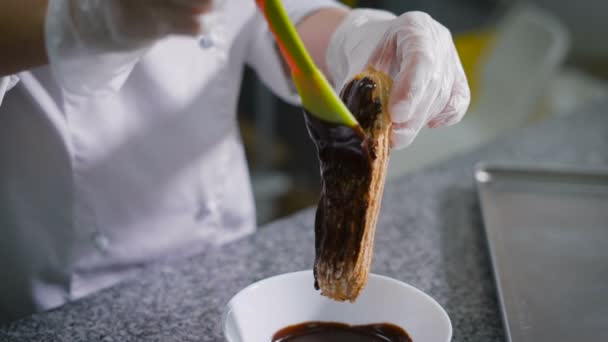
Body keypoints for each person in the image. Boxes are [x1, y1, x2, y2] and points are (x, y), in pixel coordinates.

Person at [0, 0, 470, 321]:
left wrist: (359, 35)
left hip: (225, 259)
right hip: (66, 291)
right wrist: (82, 19)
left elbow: (271, 15)